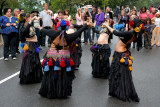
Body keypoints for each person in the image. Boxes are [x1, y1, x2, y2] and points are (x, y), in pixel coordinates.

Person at [38, 20, 88, 99]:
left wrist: (40, 28)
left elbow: (44, 30)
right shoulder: (69, 37)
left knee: (51, 73)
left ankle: (51, 91)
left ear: (58, 26)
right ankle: (61, 92)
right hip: (63, 57)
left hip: (52, 55)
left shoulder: (53, 33)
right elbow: (79, 31)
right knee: (62, 74)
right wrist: (86, 25)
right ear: (67, 27)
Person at [105, 19, 142, 102]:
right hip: (123, 53)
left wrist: (108, 26)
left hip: (120, 55)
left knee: (121, 74)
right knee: (122, 74)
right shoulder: (134, 34)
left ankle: (123, 93)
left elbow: (116, 33)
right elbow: (122, 35)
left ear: (132, 24)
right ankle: (119, 91)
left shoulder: (129, 33)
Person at [19, 14, 43, 84]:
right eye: (29, 17)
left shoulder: (30, 25)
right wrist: (29, 23)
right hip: (29, 45)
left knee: (35, 60)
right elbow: (25, 32)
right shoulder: (23, 26)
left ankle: (35, 77)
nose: (31, 18)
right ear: (26, 19)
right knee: (29, 60)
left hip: (34, 44)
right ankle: (29, 78)